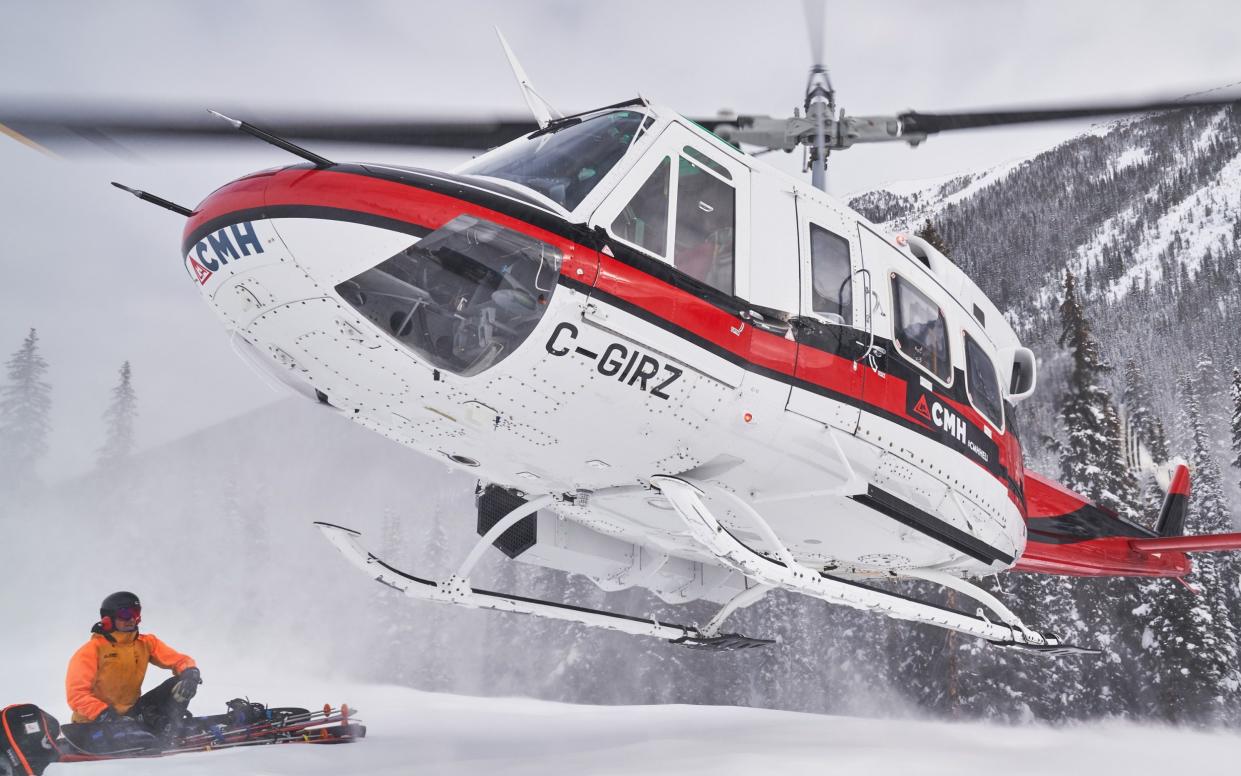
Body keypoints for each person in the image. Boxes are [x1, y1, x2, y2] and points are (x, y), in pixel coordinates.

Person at [64, 591, 202, 748]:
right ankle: (139, 730)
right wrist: (105, 715)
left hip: (131, 715)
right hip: (96, 720)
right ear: (108, 619)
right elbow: (77, 695)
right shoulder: (92, 650)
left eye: (135, 613)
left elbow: (180, 660)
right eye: (125, 613)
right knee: (122, 730)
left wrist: (191, 672)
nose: (131, 619)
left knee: (181, 682)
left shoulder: (146, 643)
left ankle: (169, 727)